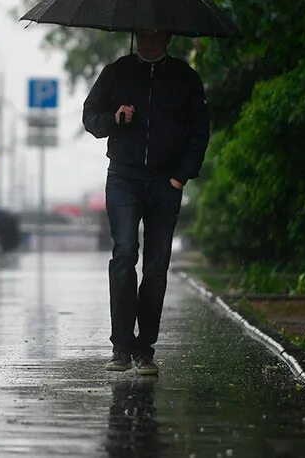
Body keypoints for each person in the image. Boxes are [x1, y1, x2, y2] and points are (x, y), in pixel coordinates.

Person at [83, 29, 210, 377]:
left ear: (168, 38)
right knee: (124, 253)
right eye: (143, 34)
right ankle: (121, 346)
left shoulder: (185, 78)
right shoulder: (117, 72)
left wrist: (181, 176)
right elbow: (90, 118)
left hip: (165, 182)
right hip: (123, 177)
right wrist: (115, 118)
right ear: (136, 35)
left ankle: (145, 349)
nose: (149, 40)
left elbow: (200, 130)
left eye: (156, 35)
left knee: (156, 266)